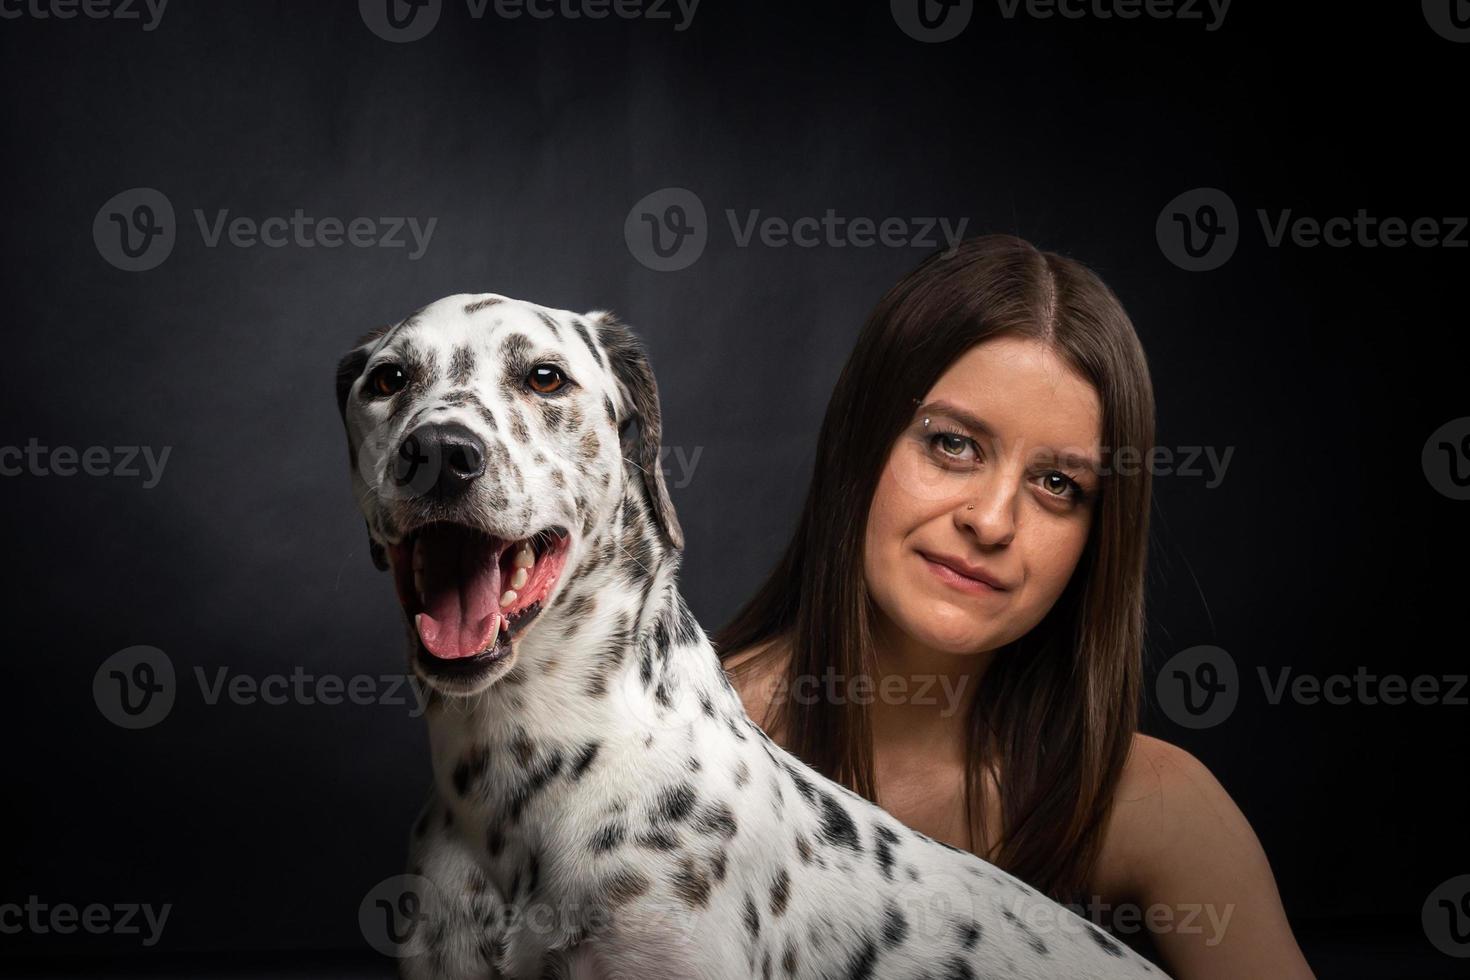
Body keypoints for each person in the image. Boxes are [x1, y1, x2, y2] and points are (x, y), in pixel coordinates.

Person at [715, 234, 1315, 978]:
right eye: (954, 446)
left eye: (1058, 485)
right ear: (859, 444)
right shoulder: (680, 751)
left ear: (1099, 534)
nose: (993, 521)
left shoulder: (1155, 805)